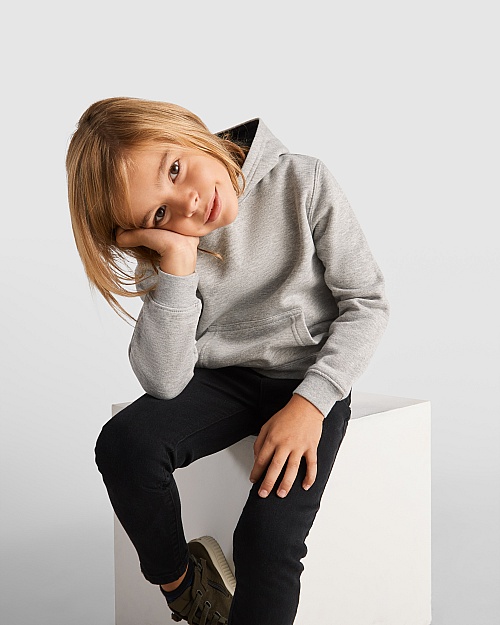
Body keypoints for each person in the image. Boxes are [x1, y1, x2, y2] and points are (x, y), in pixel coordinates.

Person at [66, 97, 389, 625]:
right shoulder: (172, 249)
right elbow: (165, 381)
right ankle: (185, 589)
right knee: (125, 445)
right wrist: (177, 263)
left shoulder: (302, 181)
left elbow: (366, 303)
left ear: (187, 128)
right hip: (225, 381)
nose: (188, 205)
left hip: (306, 380)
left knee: (267, 539)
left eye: (175, 169)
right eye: (159, 214)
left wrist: (311, 404)